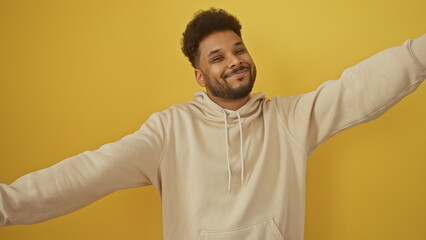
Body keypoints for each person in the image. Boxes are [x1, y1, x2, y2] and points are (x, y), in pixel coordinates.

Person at [0, 7, 425, 240]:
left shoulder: (289, 119)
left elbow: (359, 87)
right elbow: (90, 171)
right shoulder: (169, 132)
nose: (234, 60)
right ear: (200, 77)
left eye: (238, 50)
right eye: (217, 57)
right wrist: (6, 205)